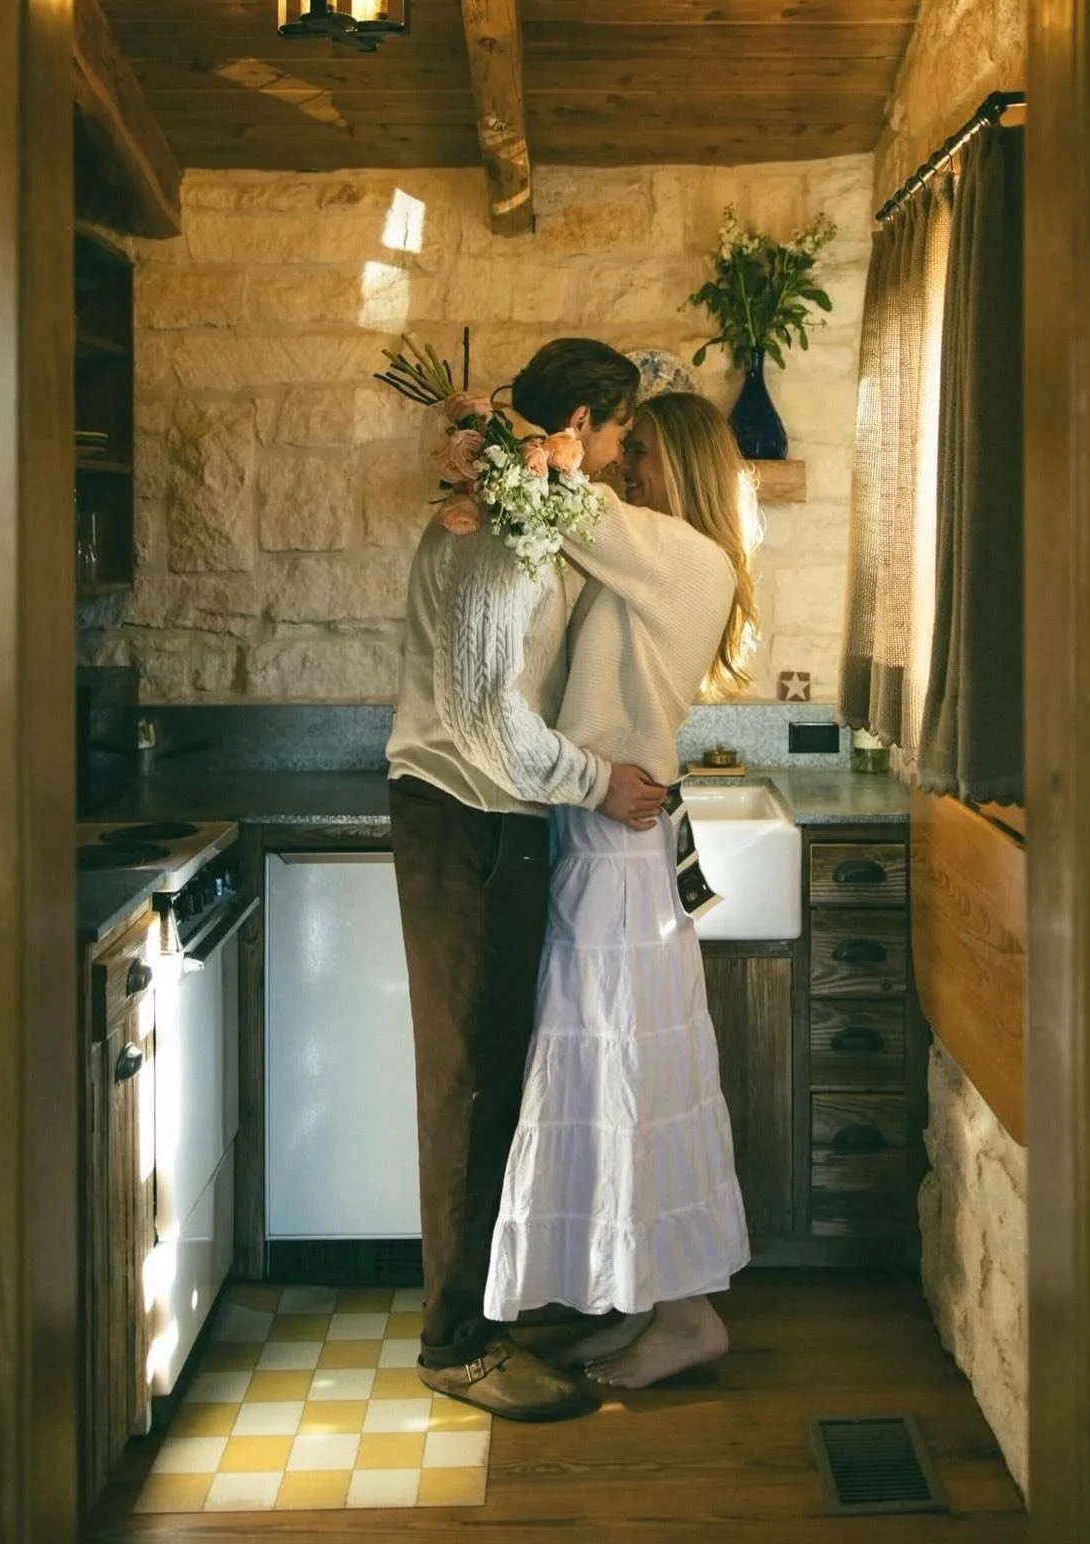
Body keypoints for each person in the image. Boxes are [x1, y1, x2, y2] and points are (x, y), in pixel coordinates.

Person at [386, 338, 667, 1423]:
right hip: (465, 821)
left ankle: (485, 1315)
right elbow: (485, 720)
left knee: (495, 1073)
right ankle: (455, 1343)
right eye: (619, 439)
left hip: (494, 823)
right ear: (583, 422)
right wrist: (599, 781)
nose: (617, 461)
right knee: (465, 1085)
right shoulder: (493, 530)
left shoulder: (524, 516)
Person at [482, 392, 758, 1388]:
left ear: (678, 462)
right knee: (608, 1083)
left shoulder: (687, 554)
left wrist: (518, 432)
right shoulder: (654, 552)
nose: (620, 466)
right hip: (598, 833)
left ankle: (687, 1317)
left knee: (632, 1087)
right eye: (621, 448)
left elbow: (572, 502)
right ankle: (646, 1301)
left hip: (620, 849)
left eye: (635, 451)